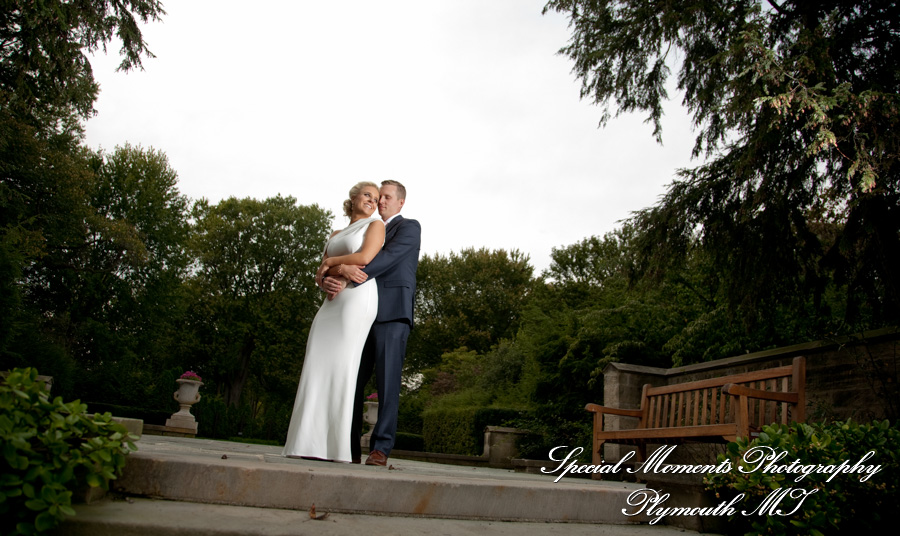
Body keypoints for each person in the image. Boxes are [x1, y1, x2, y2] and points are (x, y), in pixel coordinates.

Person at [282, 182, 385, 463]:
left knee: (342, 366)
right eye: (367, 195)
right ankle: (307, 443)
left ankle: (336, 449)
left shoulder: (375, 226)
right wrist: (329, 273)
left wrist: (333, 264)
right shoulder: (335, 233)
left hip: (356, 299)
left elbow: (364, 258)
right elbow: (320, 274)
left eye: (376, 198)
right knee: (316, 363)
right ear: (352, 198)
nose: (372, 201)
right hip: (330, 303)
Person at [322, 180, 420, 467]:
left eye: (388, 197)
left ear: (401, 202)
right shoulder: (368, 228)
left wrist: (340, 272)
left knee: (388, 383)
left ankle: (381, 448)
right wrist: (335, 272)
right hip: (359, 312)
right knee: (351, 380)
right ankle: (347, 448)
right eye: (380, 197)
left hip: (391, 314)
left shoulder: (409, 227)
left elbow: (386, 258)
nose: (381, 202)